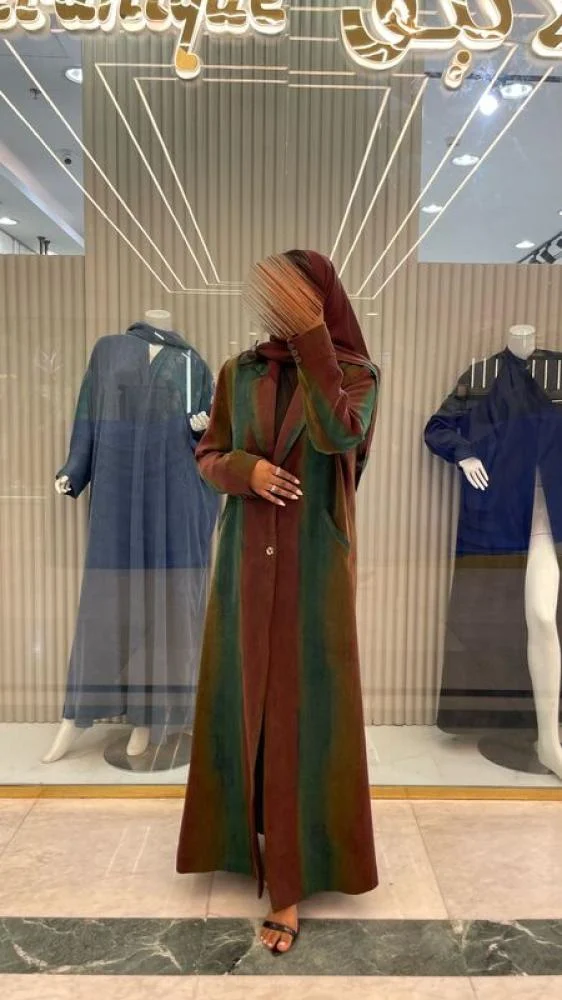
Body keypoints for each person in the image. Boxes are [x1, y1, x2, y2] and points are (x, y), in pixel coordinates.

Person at [176, 250, 380, 955]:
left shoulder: (355, 373)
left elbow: (340, 434)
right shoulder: (239, 371)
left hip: (313, 567)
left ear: (319, 299)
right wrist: (246, 470)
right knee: (244, 701)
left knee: (299, 714)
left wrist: (312, 340)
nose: (274, 307)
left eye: (290, 295)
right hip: (244, 563)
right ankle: (242, 842)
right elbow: (208, 454)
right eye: (270, 296)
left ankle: (290, 883)